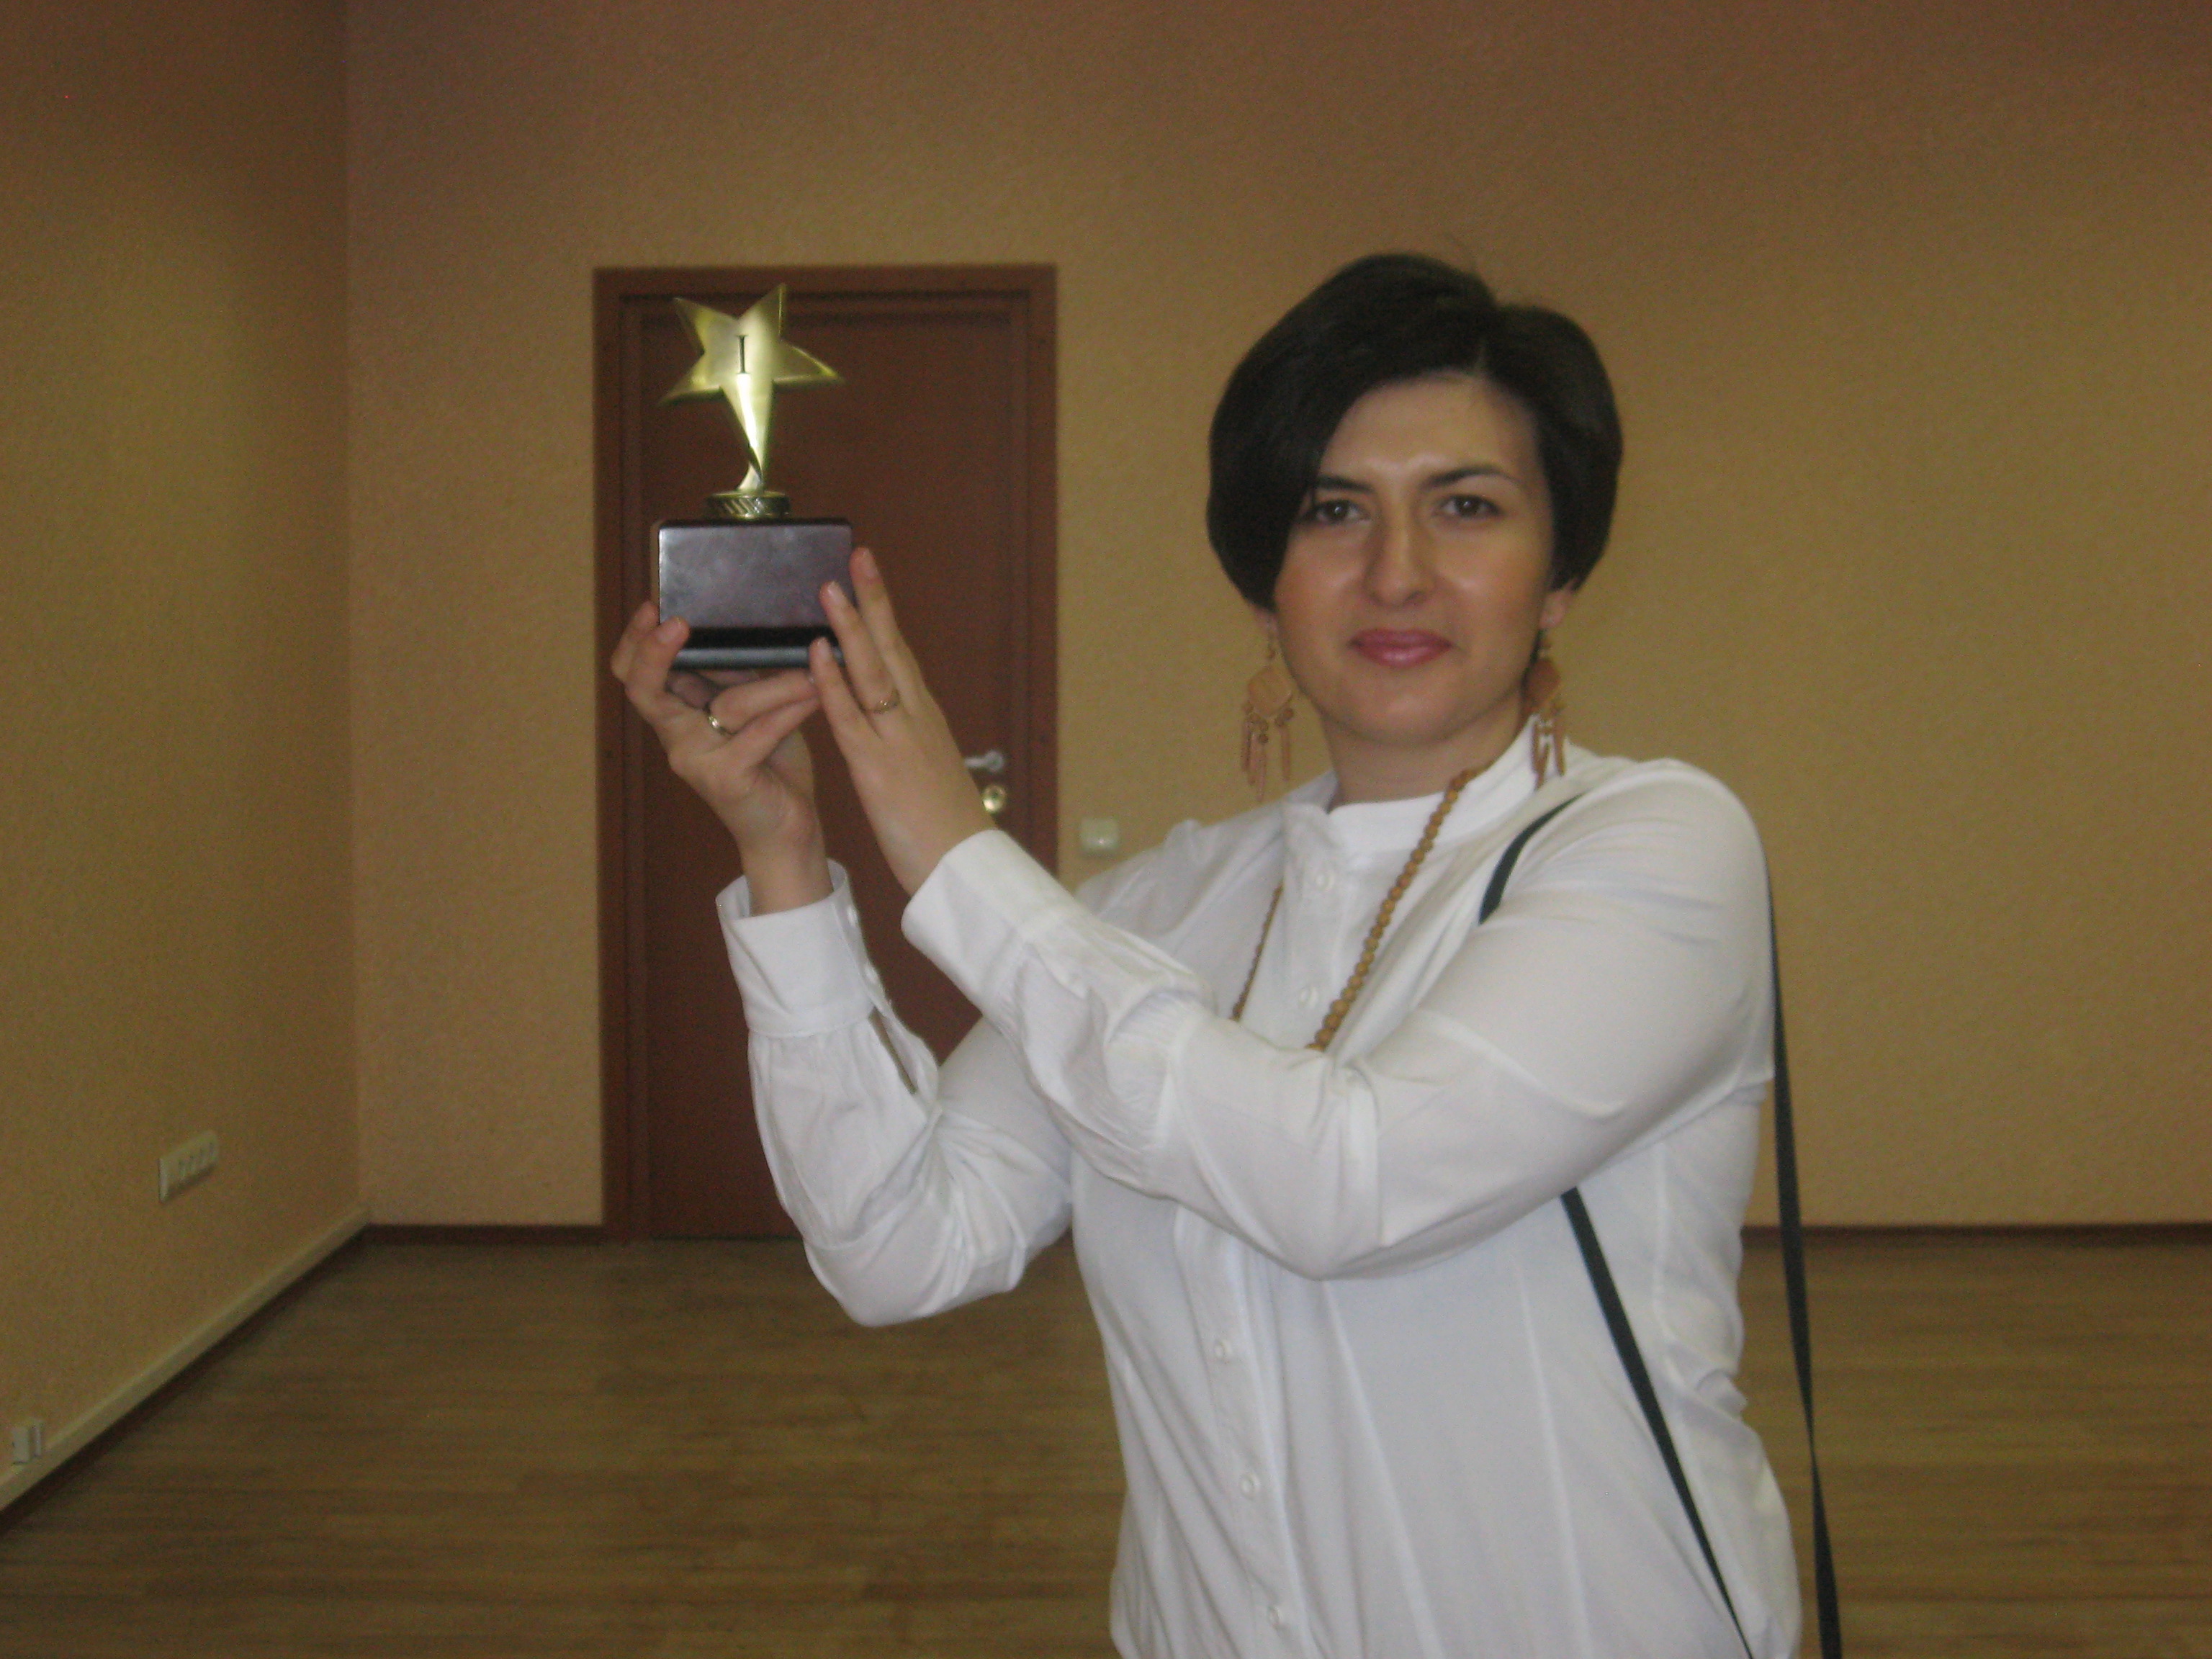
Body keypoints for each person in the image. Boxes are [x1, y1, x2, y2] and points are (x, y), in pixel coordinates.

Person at [612, 254, 1801, 1659]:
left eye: (1467, 507)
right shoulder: (1160, 906)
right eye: (1332, 511)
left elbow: (1352, 1184)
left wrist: (952, 854)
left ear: (1560, 576)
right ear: (1263, 584)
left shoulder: (1656, 847)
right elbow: (899, 1246)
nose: (1397, 571)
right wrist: (786, 858)